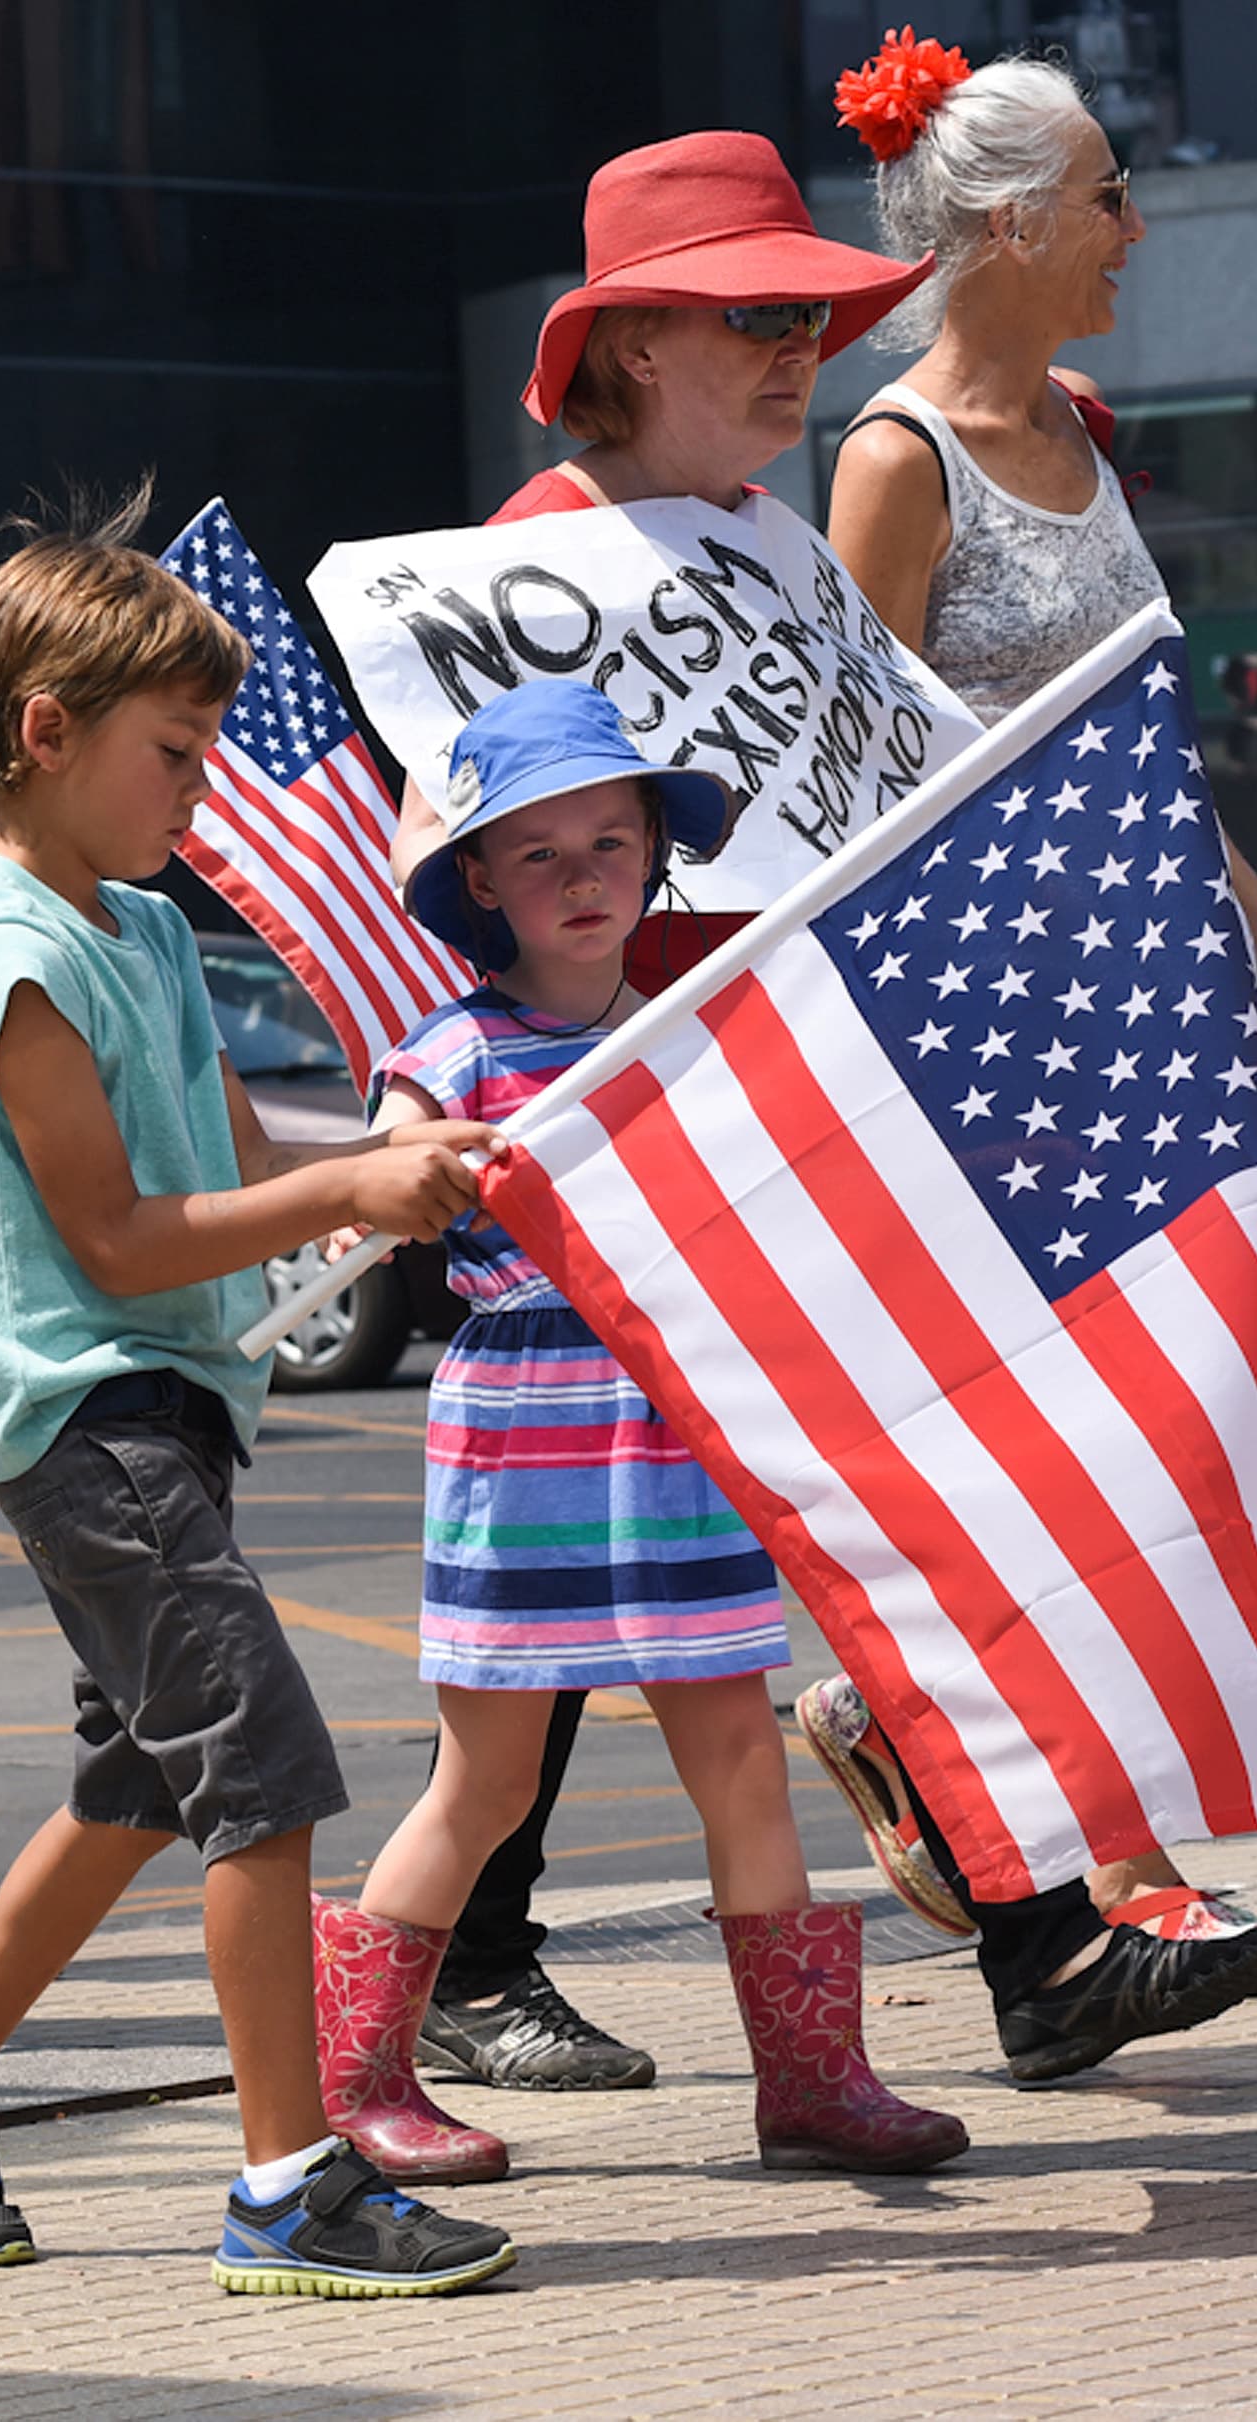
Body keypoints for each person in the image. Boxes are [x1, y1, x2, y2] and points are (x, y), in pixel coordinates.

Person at [0, 495, 514, 2298]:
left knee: (142, 1785)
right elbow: (123, 1238)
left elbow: (218, 1149)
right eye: (172, 753)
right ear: (41, 734)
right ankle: (288, 2179)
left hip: (170, 1421)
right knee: (263, 1775)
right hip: (94, 1425)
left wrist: (381, 1145)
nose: (197, 791)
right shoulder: (7, 956)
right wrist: (350, 1192)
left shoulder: (127, 924)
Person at [386, 128, 931, 2099]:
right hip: (603, 1135)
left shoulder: (780, 559)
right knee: (551, 1621)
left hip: (751, 1119)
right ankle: (464, 1964)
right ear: (619, 352)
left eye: (810, 318)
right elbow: (449, 851)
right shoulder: (532, 556)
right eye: (750, 317)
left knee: (714, 1614)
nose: (797, 352)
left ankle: (964, 1921)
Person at [820, 34, 1257, 2021]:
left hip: (1136, 1006)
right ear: (1013, 225)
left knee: (1157, 1423)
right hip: (993, 1038)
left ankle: (1077, 1828)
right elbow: (839, 779)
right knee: (1073, 1436)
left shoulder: (1082, 440)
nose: (1134, 223)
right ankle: (1065, 1842)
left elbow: (1140, 741)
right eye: (1109, 192)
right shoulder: (895, 461)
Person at [330, 681, 967, 2182]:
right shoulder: (456, 1047)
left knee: (741, 1755)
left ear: (652, 857)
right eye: (538, 853)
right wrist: (424, 1156)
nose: (582, 876)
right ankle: (352, 2077)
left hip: (676, 1429)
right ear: (478, 879)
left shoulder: (687, 1039)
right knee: (482, 1779)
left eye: (609, 842)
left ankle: (814, 2079)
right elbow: (380, 1177)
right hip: (523, 1434)